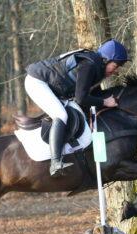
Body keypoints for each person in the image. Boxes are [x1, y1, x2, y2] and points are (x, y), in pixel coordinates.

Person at [24, 39, 130, 177]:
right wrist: (105, 102)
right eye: (115, 65)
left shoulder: (95, 65)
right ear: (105, 60)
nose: (115, 71)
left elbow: (89, 95)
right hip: (37, 82)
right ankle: (55, 163)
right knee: (60, 114)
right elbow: (81, 98)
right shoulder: (89, 65)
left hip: (51, 85)